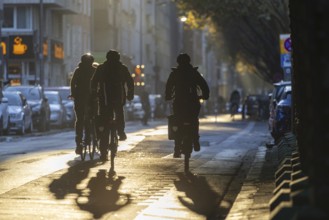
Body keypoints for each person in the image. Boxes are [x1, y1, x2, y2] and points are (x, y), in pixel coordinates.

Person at [91, 50, 134, 161]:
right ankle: (121, 132)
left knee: (104, 120)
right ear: (118, 58)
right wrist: (130, 94)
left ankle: (102, 143)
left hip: (104, 99)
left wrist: (94, 93)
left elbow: (94, 82)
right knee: (119, 113)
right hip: (118, 98)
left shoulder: (101, 68)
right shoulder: (122, 68)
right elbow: (130, 81)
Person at [165, 53, 209, 158]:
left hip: (178, 103)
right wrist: (205, 96)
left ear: (178, 62)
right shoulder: (194, 73)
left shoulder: (175, 73)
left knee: (177, 121)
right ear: (189, 61)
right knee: (194, 119)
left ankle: (176, 147)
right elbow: (204, 85)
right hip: (193, 102)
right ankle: (195, 140)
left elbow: (168, 87)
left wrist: (168, 96)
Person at [70, 53, 96, 154]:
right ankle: (88, 139)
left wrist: (73, 93)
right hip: (91, 98)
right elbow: (98, 83)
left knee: (80, 120)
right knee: (89, 118)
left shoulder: (78, 70)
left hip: (79, 98)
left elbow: (73, 83)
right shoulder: (94, 70)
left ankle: (79, 143)